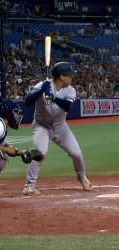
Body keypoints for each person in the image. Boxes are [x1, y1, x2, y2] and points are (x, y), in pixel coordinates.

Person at [23, 62, 93, 195]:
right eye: (69, 75)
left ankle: (82, 177)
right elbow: (27, 101)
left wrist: (53, 97)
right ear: (62, 76)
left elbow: (68, 107)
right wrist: (40, 91)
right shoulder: (42, 85)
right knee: (40, 153)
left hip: (60, 127)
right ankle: (29, 186)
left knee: (76, 153)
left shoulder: (70, 90)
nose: (72, 77)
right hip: (41, 126)